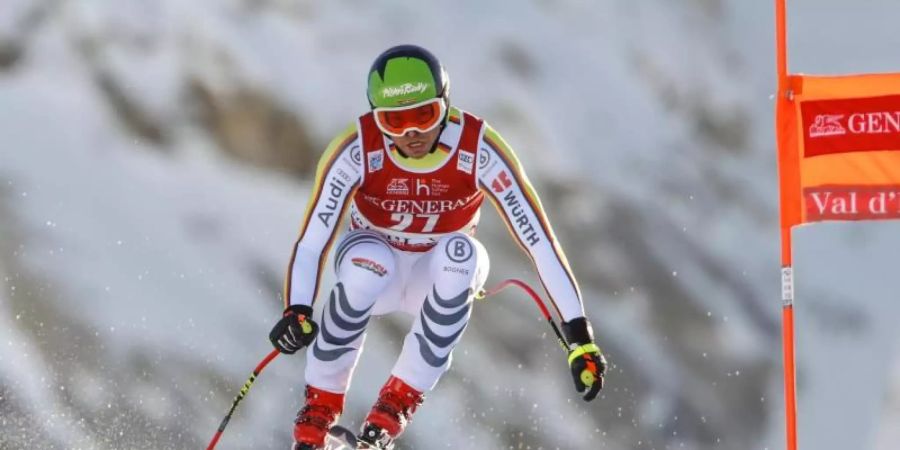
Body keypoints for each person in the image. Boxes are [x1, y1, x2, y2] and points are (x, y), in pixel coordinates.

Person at [269, 44, 608, 450]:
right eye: (394, 121)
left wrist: (579, 335)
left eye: (423, 116)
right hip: (375, 266)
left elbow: (540, 241)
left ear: (445, 107)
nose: (411, 134)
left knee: (461, 258)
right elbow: (312, 243)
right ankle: (318, 415)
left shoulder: (479, 148)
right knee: (366, 263)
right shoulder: (356, 148)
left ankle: (389, 414)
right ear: (378, 118)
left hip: (434, 274)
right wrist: (298, 309)